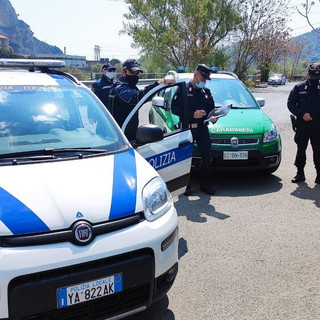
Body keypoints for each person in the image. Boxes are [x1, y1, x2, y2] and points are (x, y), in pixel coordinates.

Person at [172, 64, 217, 196]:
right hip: (188, 129)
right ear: (196, 75)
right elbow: (174, 109)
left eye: (206, 80)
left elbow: (212, 110)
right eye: (203, 79)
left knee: (207, 157)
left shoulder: (206, 92)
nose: (204, 82)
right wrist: (193, 114)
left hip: (202, 128)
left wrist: (214, 117)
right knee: (186, 158)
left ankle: (204, 184)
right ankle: (186, 185)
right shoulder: (182, 90)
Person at [109, 58, 174, 141]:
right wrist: (158, 84)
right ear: (123, 72)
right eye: (132, 72)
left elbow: (142, 98)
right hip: (119, 136)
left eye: (137, 73)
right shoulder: (119, 88)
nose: (135, 76)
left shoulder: (130, 86)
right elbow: (136, 97)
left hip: (128, 134)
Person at [287, 61, 320, 184]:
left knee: (318, 150)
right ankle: (300, 173)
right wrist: (301, 114)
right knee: (301, 150)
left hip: (318, 124)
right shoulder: (299, 87)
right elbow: (290, 103)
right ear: (308, 74)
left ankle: (319, 174)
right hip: (303, 124)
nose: (314, 79)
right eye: (312, 77)